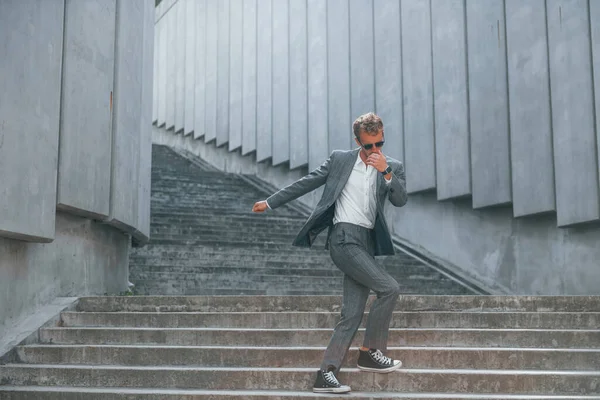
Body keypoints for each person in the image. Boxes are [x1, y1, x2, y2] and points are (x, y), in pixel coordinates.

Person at [252, 112, 408, 393]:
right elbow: (308, 182)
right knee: (389, 289)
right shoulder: (340, 160)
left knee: (351, 314)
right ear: (357, 141)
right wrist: (271, 202)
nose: (374, 150)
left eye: (379, 144)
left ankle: (326, 374)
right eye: (368, 145)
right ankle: (370, 352)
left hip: (366, 243)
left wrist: (386, 171)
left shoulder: (392, 166)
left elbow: (400, 200)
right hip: (343, 238)